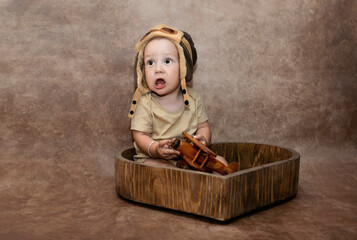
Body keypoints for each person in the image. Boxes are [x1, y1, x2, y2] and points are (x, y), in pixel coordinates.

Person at [128, 24, 227, 168]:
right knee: (165, 171)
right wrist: (155, 149)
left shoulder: (193, 98)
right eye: (150, 63)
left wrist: (203, 139)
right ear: (142, 71)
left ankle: (212, 187)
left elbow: (203, 127)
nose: (158, 69)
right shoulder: (145, 102)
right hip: (156, 158)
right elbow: (140, 135)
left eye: (167, 61)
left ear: (183, 67)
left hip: (190, 157)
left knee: (221, 163)